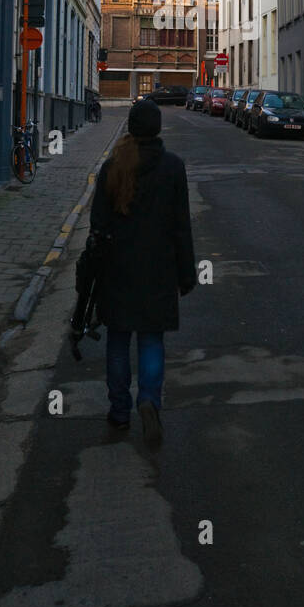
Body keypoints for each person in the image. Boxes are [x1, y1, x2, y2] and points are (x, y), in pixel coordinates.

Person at [89, 99, 196, 446]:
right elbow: (181, 227)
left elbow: (97, 225)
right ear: (158, 129)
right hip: (158, 270)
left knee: (118, 341)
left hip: (118, 270)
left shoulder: (111, 169)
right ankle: (149, 400)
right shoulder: (173, 168)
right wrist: (185, 274)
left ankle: (119, 412)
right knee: (151, 339)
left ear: (131, 129)